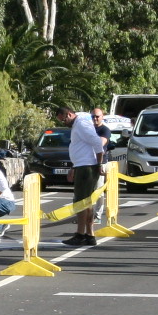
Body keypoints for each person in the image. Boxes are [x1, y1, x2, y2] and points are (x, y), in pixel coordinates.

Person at [54, 104, 104, 247]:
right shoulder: (80, 120)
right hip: (81, 165)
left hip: (86, 167)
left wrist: (99, 164)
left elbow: (97, 143)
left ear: (69, 114)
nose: (64, 123)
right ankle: (89, 234)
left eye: (64, 120)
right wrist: (73, 166)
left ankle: (80, 234)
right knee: (86, 202)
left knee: (81, 202)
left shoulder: (81, 124)